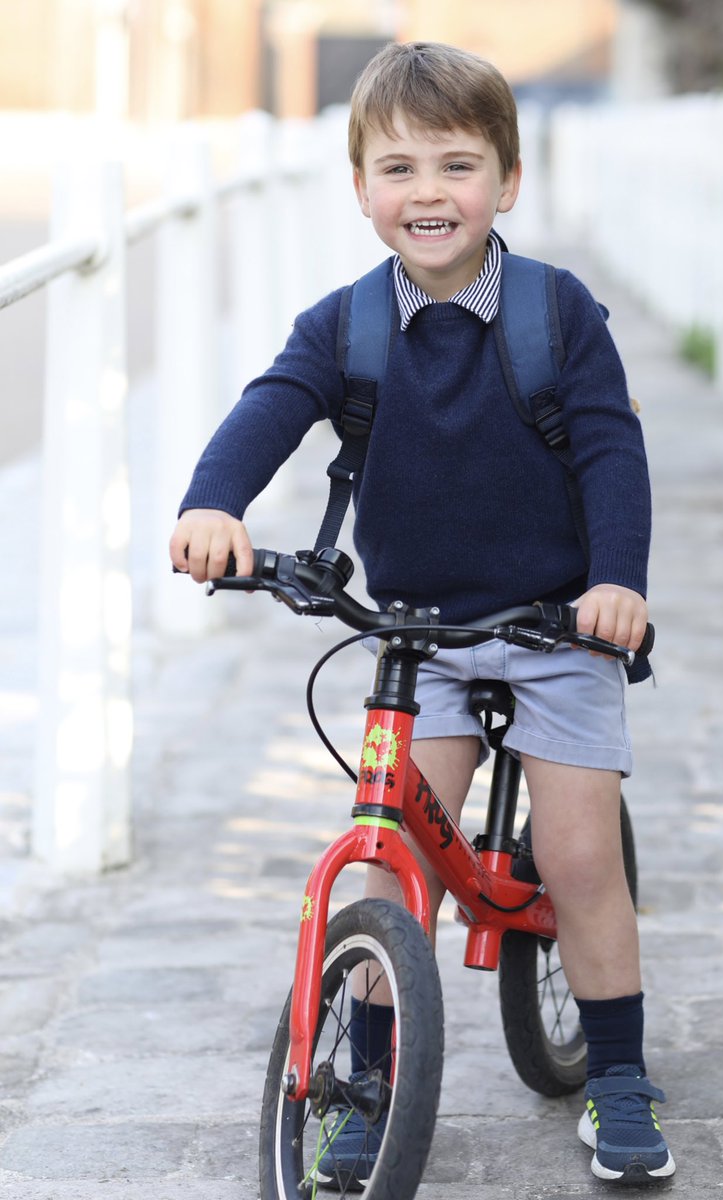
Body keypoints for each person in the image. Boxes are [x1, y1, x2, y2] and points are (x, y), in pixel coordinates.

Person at [169, 40, 674, 1188]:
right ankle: (361, 1080)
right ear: (359, 190)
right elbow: (272, 408)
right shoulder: (343, 325)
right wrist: (214, 504)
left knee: (579, 853)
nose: (429, 193)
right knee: (392, 865)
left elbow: (608, 446)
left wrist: (617, 580)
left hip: (557, 625)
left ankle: (617, 1073)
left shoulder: (555, 312)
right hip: (415, 634)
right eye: (398, 170)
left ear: (506, 180)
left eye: (457, 165)